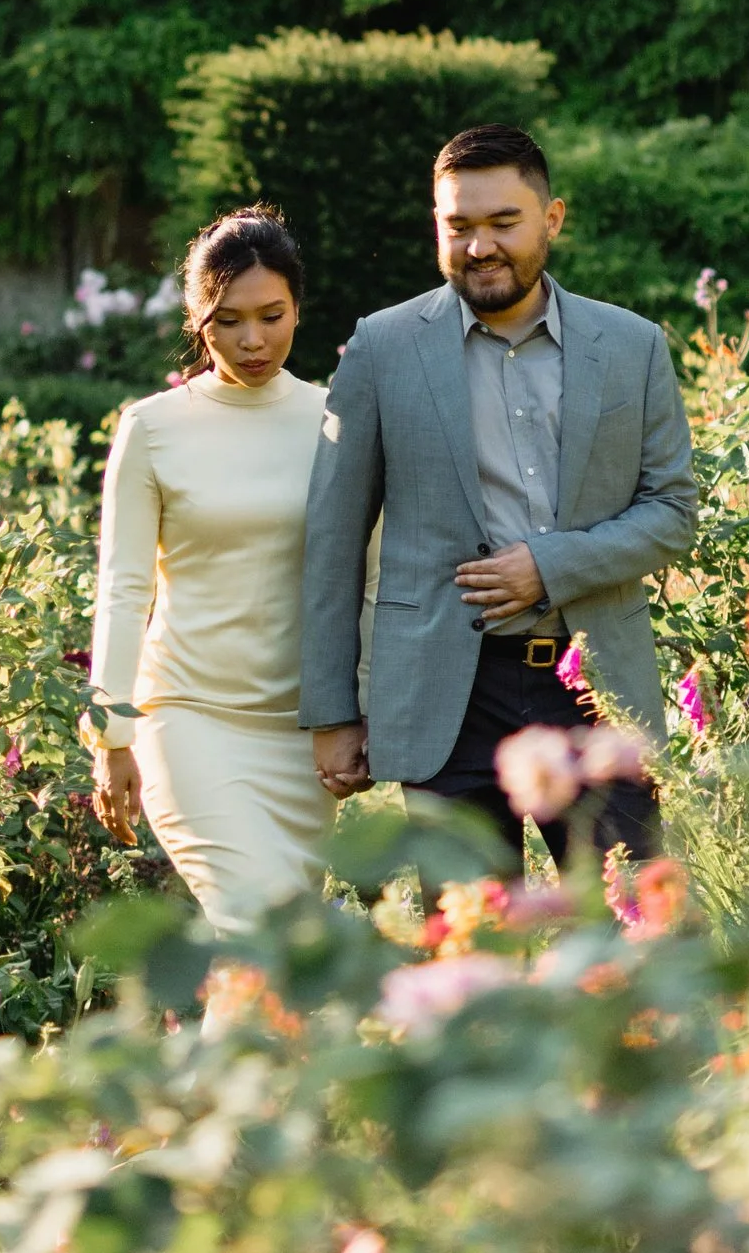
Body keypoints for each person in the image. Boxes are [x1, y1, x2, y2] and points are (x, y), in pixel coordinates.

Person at [298, 120, 697, 873]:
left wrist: (550, 566)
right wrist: (332, 712)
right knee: (470, 954)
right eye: (459, 226)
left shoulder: (632, 346)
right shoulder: (382, 349)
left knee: (637, 936)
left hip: (594, 692)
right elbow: (333, 539)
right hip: (443, 696)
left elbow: (672, 512)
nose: (480, 245)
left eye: (503, 223)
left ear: (552, 219)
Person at [87, 206, 336, 931]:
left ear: (298, 308)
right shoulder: (153, 427)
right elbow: (123, 588)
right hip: (188, 721)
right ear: (199, 320)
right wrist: (111, 735)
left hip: (300, 741)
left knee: (279, 968)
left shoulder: (337, 422)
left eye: (271, 315)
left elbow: (369, 580)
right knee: (258, 934)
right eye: (228, 321)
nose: (253, 340)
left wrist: (354, 715)